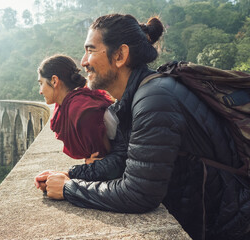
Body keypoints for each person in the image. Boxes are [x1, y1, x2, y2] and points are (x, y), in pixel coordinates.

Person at [34, 14, 250, 240]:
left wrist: (70, 189)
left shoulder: (154, 99)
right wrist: (70, 174)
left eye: (90, 50)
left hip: (230, 225)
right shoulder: (137, 96)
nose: (83, 61)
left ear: (120, 55)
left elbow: (139, 194)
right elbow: (122, 159)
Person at [35, 54, 116, 190]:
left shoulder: (80, 110)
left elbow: (104, 162)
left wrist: (70, 175)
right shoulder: (67, 106)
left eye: (41, 83)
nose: (40, 91)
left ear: (54, 81)